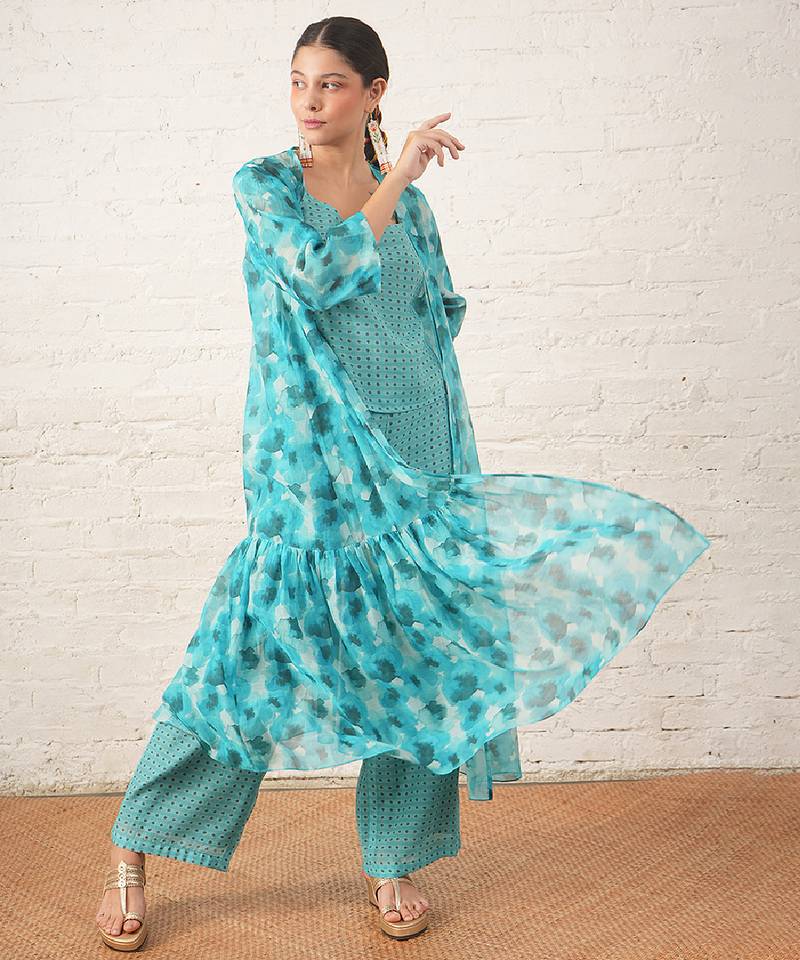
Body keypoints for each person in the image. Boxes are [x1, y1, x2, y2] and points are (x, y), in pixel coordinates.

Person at [96, 16, 710, 949]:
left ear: (373, 92)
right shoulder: (265, 186)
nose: (309, 100)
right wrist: (396, 179)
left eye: (331, 83)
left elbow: (436, 317)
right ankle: (136, 843)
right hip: (309, 455)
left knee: (414, 659)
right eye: (298, 81)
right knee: (248, 653)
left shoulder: (411, 210)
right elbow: (321, 273)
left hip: (416, 443)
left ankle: (394, 859)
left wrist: (443, 441)